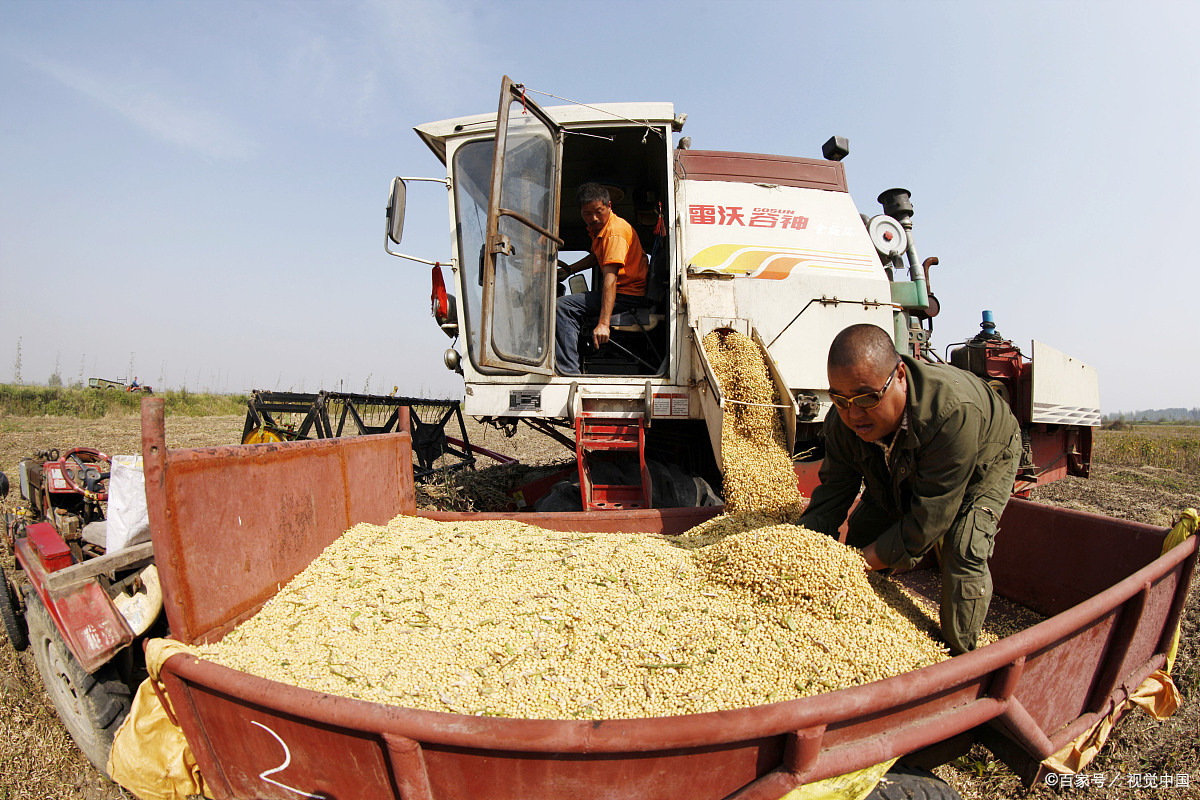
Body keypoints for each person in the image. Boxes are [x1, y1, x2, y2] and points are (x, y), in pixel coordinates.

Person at [796, 323, 1022, 654]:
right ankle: (855, 637)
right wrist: (801, 549)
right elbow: (832, 495)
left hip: (986, 454)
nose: (854, 414)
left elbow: (928, 519)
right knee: (865, 531)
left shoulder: (951, 414)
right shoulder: (845, 420)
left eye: (867, 398)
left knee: (963, 546)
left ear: (900, 375)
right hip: (907, 453)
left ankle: (962, 655)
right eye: (840, 400)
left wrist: (856, 562)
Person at [554, 183, 649, 375]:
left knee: (562, 307)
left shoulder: (614, 232)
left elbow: (610, 278)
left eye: (598, 211)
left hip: (628, 295)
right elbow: (596, 256)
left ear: (609, 206)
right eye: (587, 213)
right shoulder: (602, 229)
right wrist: (570, 270)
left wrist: (604, 324)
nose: (593, 218)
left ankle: (568, 373)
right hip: (626, 292)